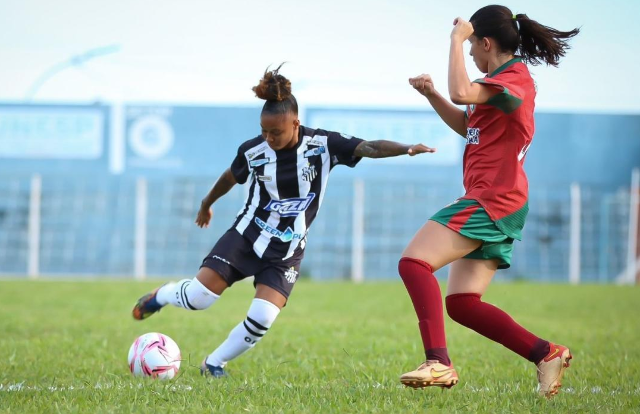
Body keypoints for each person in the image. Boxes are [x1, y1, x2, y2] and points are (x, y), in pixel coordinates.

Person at [132, 64, 435, 378]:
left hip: (287, 249)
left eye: (275, 132)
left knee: (262, 317)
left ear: (295, 123)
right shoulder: (254, 151)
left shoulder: (322, 145)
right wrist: (206, 203)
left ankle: (214, 363)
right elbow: (229, 177)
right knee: (199, 299)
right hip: (246, 236)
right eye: (264, 131)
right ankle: (161, 295)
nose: (269, 138)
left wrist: (407, 148)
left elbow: (369, 147)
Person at [398, 5, 579, 397]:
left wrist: (453, 38)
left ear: (485, 42)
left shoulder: (515, 81)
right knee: (462, 304)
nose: (469, 56)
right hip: (497, 201)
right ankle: (546, 353)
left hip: (493, 201)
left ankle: (439, 363)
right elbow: (469, 124)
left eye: (471, 48)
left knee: (414, 263)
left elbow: (461, 91)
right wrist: (431, 95)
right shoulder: (499, 83)